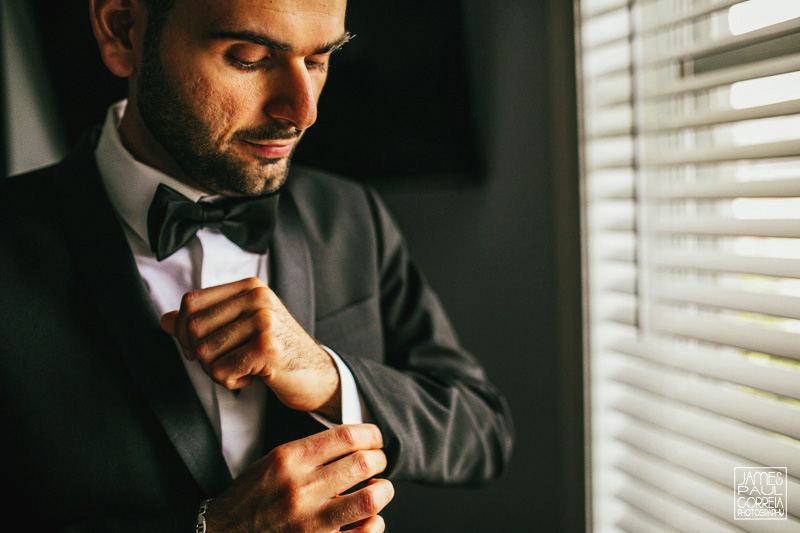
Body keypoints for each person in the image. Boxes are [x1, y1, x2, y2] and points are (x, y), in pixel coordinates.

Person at [0, 0, 514, 531]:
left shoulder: (351, 215)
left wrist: (328, 378)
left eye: (319, 60)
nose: (304, 110)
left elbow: (481, 428)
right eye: (248, 57)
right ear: (122, 31)